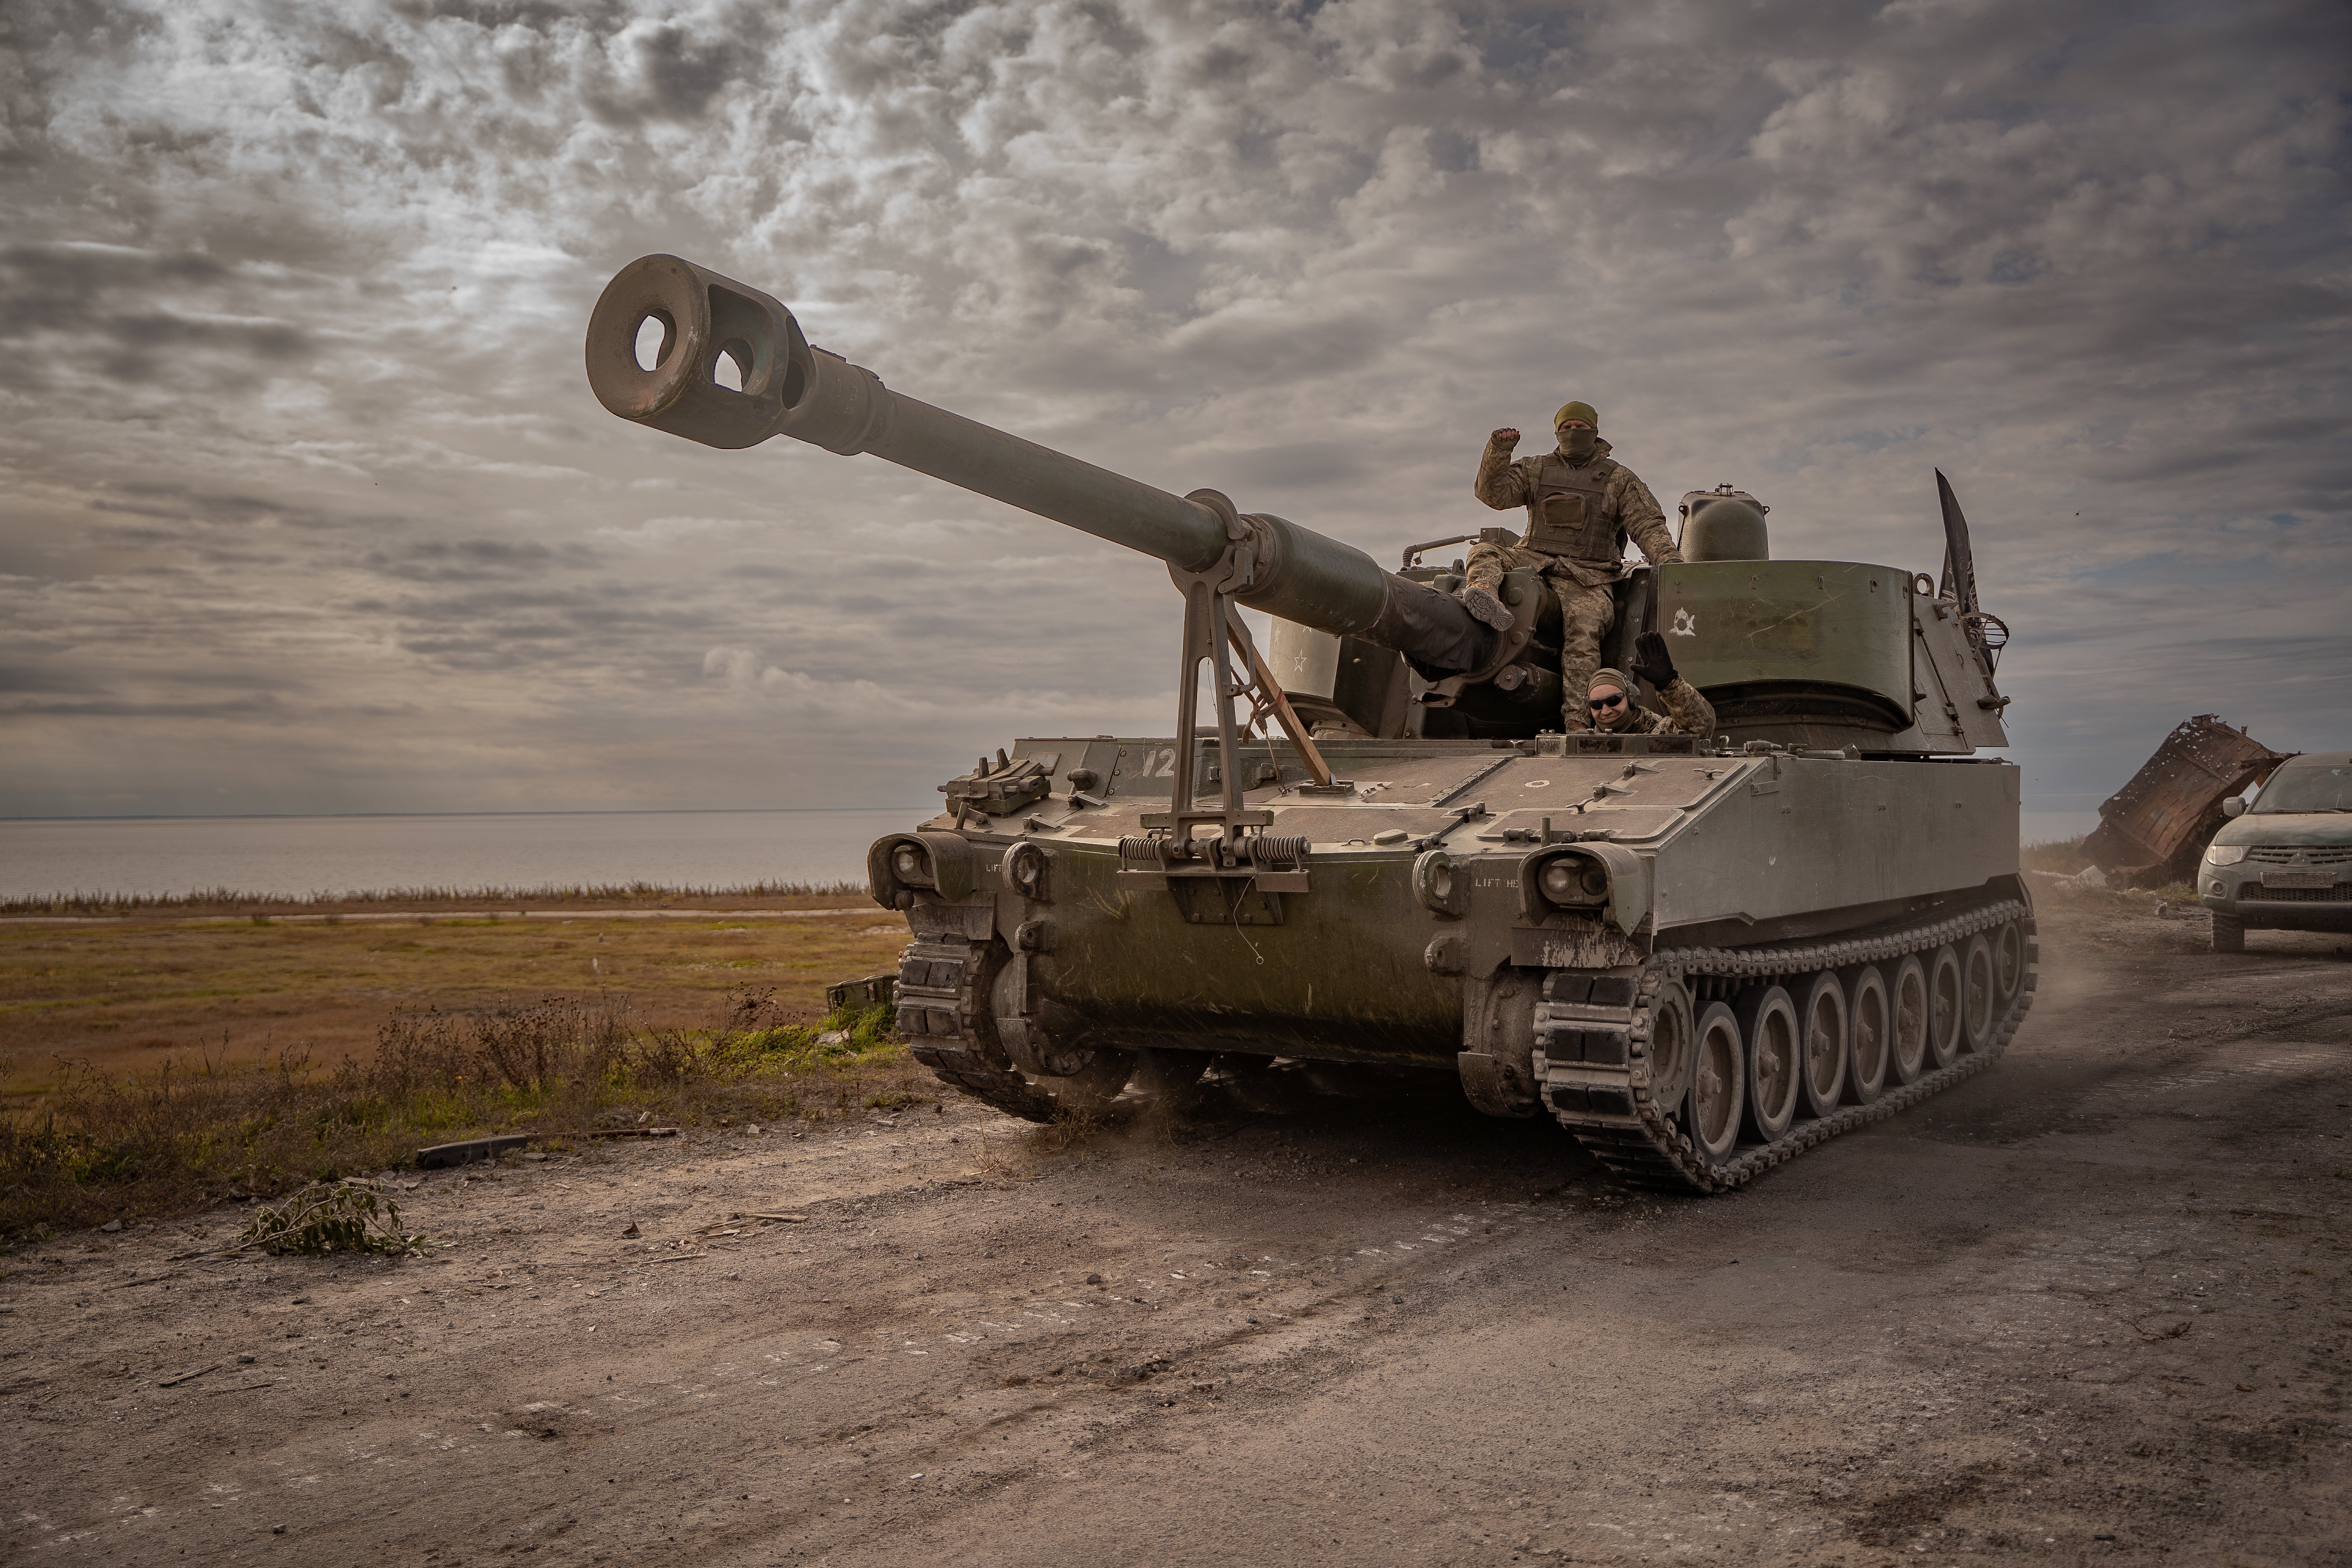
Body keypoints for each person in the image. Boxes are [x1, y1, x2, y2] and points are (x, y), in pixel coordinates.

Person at [1467, 401, 1681, 730]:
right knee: (1485, 551)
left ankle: (1579, 724)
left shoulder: (1618, 479)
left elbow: (1647, 525)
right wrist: (1499, 451)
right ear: (1556, 431)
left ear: (1595, 432)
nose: (1573, 433)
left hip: (1589, 575)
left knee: (1584, 633)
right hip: (1534, 561)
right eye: (1566, 428)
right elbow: (1493, 494)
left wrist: (1671, 563)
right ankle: (1484, 593)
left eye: (1580, 428)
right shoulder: (1537, 469)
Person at [1587, 633, 1715, 737]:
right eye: (1596, 704)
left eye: (1613, 700)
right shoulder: (1584, 744)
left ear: (1632, 699)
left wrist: (1669, 683)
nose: (1606, 711)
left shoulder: (1661, 732)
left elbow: (1699, 728)